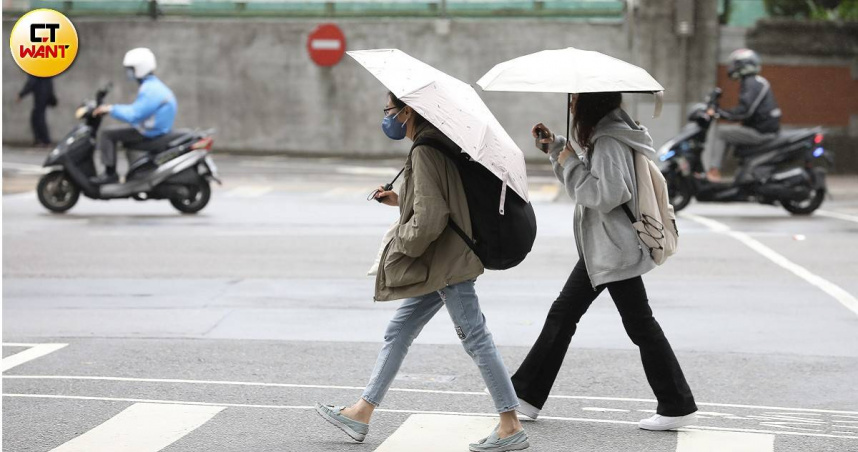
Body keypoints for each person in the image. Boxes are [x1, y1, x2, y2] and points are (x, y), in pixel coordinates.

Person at [314, 92, 529, 452]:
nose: (387, 117)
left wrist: (400, 247)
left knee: (476, 338)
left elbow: (431, 218)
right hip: (445, 258)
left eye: (389, 110)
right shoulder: (438, 142)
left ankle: (510, 425)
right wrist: (399, 202)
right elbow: (440, 201)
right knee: (400, 329)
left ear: (407, 111)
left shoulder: (426, 150)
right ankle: (361, 412)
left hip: (447, 262)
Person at [513, 92, 698, 431]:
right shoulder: (611, 132)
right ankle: (525, 394)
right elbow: (595, 177)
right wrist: (557, 148)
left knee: (637, 324)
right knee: (566, 315)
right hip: (603, 247)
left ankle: (676, 403)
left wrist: (567, 161)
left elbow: (606, 194)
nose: (571, 105)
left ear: (590, 104)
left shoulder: (609, 139)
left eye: (576, 100)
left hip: (612, 249)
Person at [90, 47, 177, 185]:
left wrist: (111, 109)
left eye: (130, 69)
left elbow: (134, 115)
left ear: (140, 68)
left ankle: (110, 174)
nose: (128, 72)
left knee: (108, 134)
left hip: (149, 133)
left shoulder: (150, 89)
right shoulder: (152, 86)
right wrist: (112, 108)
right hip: (151, 130)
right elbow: (137, 110)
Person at [705, 48, 781, 182]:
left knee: (721, 133)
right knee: (730, 133)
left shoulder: (752, 83)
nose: (732, 67)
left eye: (735, 64)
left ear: (743, 65)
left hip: (761, 132)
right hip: (764, 129)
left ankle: (713, 171)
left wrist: (719, 113)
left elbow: (745, 111)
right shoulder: (756, 82)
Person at [17, 75, 57, 147]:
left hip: (40, 96)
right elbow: (49, 84)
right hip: (44, 96)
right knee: (39, 117)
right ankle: (43, 140)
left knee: (37, 118)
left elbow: (31, 83)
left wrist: (21, 94)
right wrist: (50, 96)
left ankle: (42, 140)